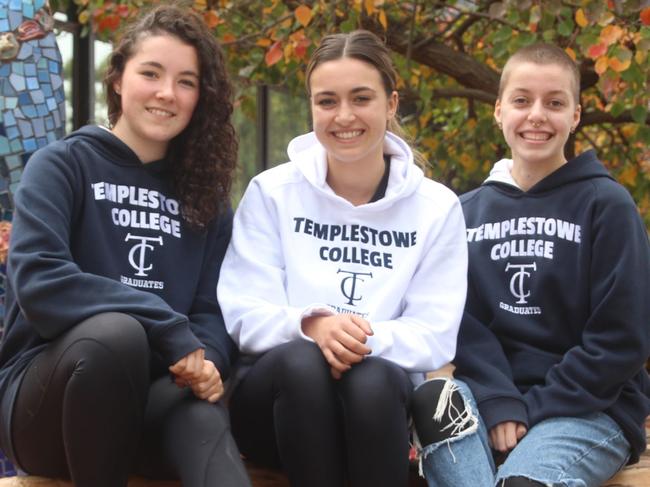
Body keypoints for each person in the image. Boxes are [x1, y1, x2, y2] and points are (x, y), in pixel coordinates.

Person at [0, 5, 252, 487]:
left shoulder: (206, 196)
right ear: (117, 80)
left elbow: (211, 311)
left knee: (201, 413)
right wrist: (163, 323)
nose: (166, 93)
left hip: (154, 400)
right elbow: (40, 282)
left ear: (201, 96)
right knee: (116, 334)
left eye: (186, 81)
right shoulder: (62, 166)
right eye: (151, 73)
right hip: (47, 405)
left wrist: (208, 363)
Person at [217, 29, 468, 487]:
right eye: (327, 101)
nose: (344, 116)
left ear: (391, 103)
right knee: (302, 363)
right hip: (276, 404)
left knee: (371, 380)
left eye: (361, 98)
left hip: (378, 406)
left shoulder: (437, 207)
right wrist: (314, 327)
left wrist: (352, 339)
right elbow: (244, 312)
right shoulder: (272, 192)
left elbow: (434, 335)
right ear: (311, 106)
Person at [412, 43, 650, 487]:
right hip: (487, 399)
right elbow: (457, 324)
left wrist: (531, 410)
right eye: (522, 100)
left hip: (589, 409)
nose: (537, 115)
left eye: (555, 103)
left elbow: (621, 339)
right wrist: (500, 401)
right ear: (499, 110)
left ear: (575, 115)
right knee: (433, 400)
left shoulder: (606, 205)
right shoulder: (463, 213)